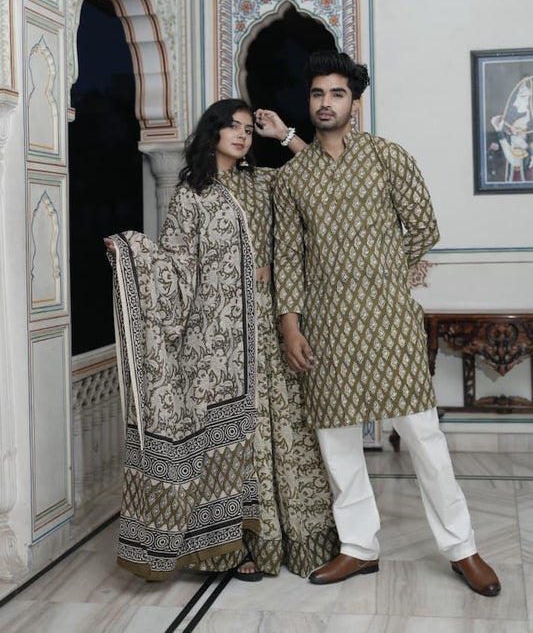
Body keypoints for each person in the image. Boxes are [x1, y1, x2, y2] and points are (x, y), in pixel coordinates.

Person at [273, 50, 501, 596]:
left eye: (337, 94)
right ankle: (358, 547)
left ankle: (461, 547)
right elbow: (287, 259)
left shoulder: (386, 156)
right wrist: (290, 326)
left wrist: (380, 273)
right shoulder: (292, 178)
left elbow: (423, 226)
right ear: (309, 102)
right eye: (317, 94)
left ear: (355, 101)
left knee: (423, 436)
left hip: (389, 321)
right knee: (337, 442)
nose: (326, 103)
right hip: (325, 325)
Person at [105, 98, 338, 582]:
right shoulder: (191, 196)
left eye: (248, 129)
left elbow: (322, 171)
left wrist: (284, 133)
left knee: (278, 435)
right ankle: (228, 551)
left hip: (268, 337)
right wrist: (132, 253)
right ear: (211, 132)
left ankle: (294, 538)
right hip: (215, 343)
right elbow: (173, 268)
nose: (241, 135)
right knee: (230, 442)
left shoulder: (264, 182)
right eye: (232, 127)